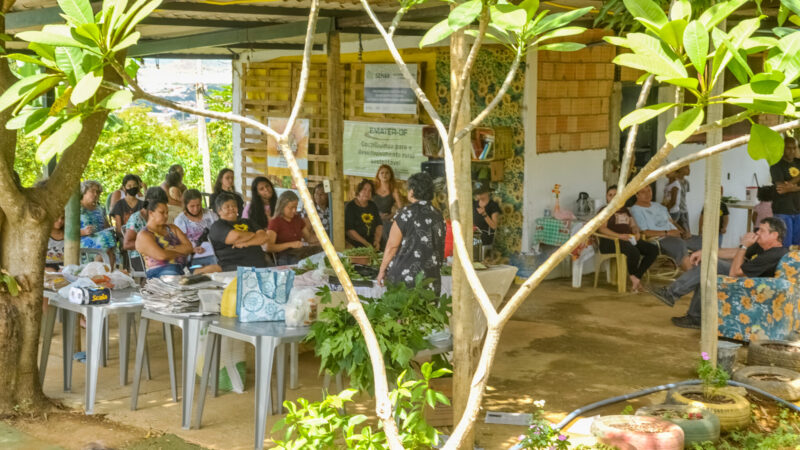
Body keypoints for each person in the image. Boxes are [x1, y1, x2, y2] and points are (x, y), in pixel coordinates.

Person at [649, 218, 789, 329]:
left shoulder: (775, 254)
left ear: (774, 235)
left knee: (710, 266)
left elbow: (735, 272)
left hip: (753, 288)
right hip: (747, 279)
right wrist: (706, 252)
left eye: (762, 231)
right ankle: (694, 316)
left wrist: (744, 245)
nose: (757, 233)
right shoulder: (762, 246)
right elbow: (735, 252)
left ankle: (673, 295)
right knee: (707, 267)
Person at [377, 172, 446, 293]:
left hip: (405, 276)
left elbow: (392, 246)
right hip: (431, 276)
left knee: (404, 311)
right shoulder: (438, 215)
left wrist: (382, 270)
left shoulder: (405, 214)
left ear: (412, 191)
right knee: (427, 310)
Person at [597, 185, 658, 293]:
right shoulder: (605, 210)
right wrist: (619, 236)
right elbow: (602, 229)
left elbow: (633, 225)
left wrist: (636, 231)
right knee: (633, 251)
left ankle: (636, 277)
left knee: (653, 249)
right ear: (607, 198)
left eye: (615, 195)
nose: (612, 197)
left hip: (628, 240)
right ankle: (635, 279)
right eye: (610, 195)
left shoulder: (625, 210)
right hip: (610, 241)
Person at [630, 184, 699, 271]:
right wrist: (668, 233)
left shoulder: (658, 206)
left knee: (701, 241)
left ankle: (703, 276)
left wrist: (683, 231)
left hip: (676, 235)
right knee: (679, 244)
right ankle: (691, 279)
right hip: (660, 239)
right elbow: (645, 232)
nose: (647, 194)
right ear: (636, 195)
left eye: (649, 190)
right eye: (643, 192)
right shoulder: (636, 210)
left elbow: (672, 222)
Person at [208, 192, 270, 271]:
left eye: (234, 206)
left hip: (260, 265)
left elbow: (264, 237)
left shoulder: (248, 222)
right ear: (219, 211)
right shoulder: (217, 226)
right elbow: (236, 236)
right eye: (227, 207)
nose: (231, 208)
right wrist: (253, 234)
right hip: (235, 268)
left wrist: (245, 243)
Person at [135, 197, 194, 278]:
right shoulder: (144, 234)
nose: (166, 215)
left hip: (183, 267)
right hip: (159, 271)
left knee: (208, 269)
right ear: (151, 213)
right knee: (174, 273)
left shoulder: (172, 228)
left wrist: (168, 249)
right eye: (162, 213)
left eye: (167, 212)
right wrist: (181, 251)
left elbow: (189, 247)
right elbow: (161, 256)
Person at [267, 191, 320, 265]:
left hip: (298, 252)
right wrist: (290, 244)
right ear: (282, 206)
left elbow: (308, 238)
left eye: (296, 207)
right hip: (284, 256)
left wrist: (322, 240)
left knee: (322, 252)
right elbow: (269, 247)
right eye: (291, 207)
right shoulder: (275, 222)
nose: (294, 210)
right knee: (297, 262)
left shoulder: (297, 219)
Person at [174, 189, 221, 273]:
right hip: (192, 255)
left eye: (198, 205)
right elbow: (179, 243)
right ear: (185, 205)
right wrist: (192, 249)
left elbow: (220, 232)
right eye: (192, 206)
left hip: (213, 252)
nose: (196, 209)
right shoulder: (180, 220)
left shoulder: (210, 215)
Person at [770, 135, 800, 247]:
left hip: (798, 210)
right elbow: (781, 188)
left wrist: (790, 186)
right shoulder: (776, 165)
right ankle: (783, 265)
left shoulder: (799, 162)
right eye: (788, 148)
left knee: (798, 245)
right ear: (782, 148)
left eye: (794, 148)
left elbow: (786, 188)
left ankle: (796, 265)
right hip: (783, 210)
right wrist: (797, 180)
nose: (792, 151)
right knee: (784, 245)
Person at [123, 187, 169, 259]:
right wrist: (151, 246)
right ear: (148, 202)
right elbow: (127, 244)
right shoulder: (136, 219)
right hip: (140, 259)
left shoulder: (159, 216)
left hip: (158, 255)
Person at [79, 180, 116, 267]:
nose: (96, 194)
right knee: (106, 239)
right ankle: (96, 271)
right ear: (84, 192)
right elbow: (65, 231)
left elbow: (106, 226)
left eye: (98, 192)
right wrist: (83, 232)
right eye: (92, 191)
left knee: (108, 238)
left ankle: (104, 273)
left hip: (102, 240)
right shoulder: (76, 208)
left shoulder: (99, 209)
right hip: (83, 239)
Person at [345, 180, 383, 249]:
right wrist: (366, 244)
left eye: (370, 190)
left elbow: (379, 225)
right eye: (364, 189)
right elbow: (350, 231)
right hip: (355, 243)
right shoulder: (350, 207)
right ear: (359, 191)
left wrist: (377, 241)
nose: (367, 193)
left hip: (372, 241)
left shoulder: (373, 205)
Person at [374, 164, 404, 241]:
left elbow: (401, 209)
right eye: (382, 173)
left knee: (384, 230)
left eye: (387, 173)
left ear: (391, 175)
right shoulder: (373, 188)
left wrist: (390, 216)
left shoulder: (394, 190)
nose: (384, 175)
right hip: (371, 217)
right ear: (378, 175)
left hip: (385, 220)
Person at [473, 181, 501, 246]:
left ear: (487, 192)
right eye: (477, 192)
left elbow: (494, 226)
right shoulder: (474, 204)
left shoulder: (493, 205)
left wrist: (484, 214)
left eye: (481, 192)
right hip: (473, 238)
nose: (478, 194)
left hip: (486, 240)